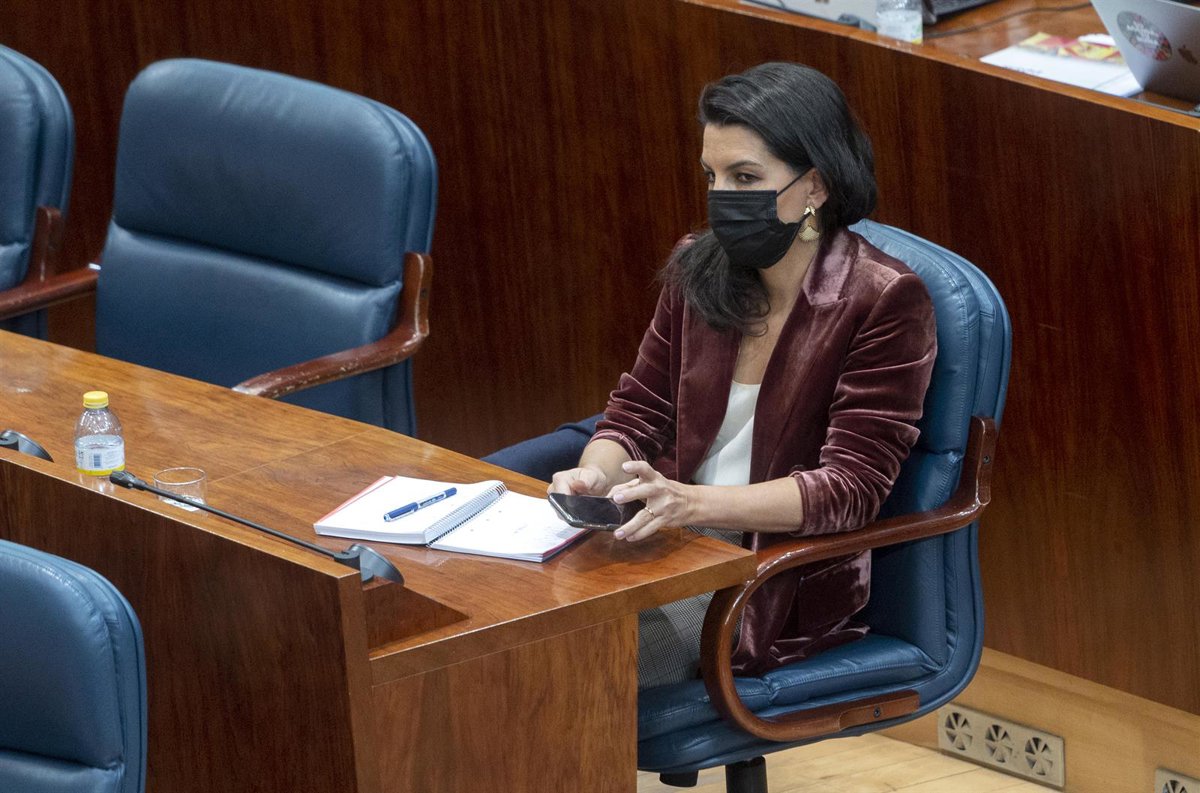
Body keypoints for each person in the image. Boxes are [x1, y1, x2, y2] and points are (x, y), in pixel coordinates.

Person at [548, 62, 938, 688]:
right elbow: (638, 412)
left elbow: (850, 489)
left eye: (746, 177)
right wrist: (597, 473)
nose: (722, 196)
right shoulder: (697, 266)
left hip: (766, 572)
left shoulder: (883, 299)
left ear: (814, 186)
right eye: (713, 176)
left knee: (573, 663)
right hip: (662, 534)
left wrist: (691, 503)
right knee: (505, 625)